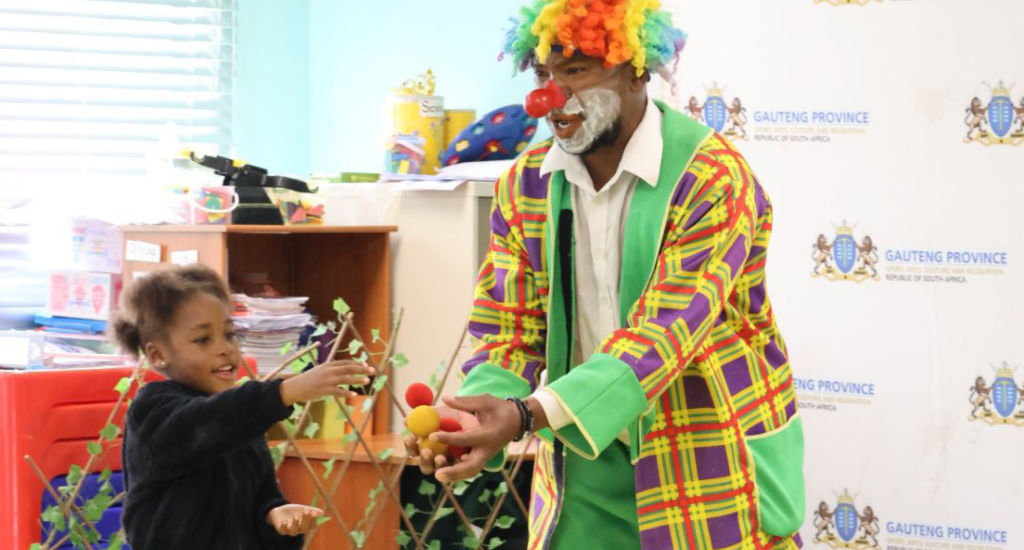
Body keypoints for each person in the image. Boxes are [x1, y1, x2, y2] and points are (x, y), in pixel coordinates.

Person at [406, 1, 806, 549]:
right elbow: (508, 328)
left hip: (704, 452)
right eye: (544, 74)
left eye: (575, 71)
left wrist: (526, 415)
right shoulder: (525, 184)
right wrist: (472, 420)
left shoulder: (711, 179)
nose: (549, 96)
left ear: (638, 70)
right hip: (583, 464)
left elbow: (665, 332)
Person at [111, 265, 373, 550]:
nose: (224, 348)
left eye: (229, 334)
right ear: (158, 355)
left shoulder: (242, 424)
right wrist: (285, 391)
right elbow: (201, 426)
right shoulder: (152, 410)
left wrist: (273, 515)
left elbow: (261, 496)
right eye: (203, 340)